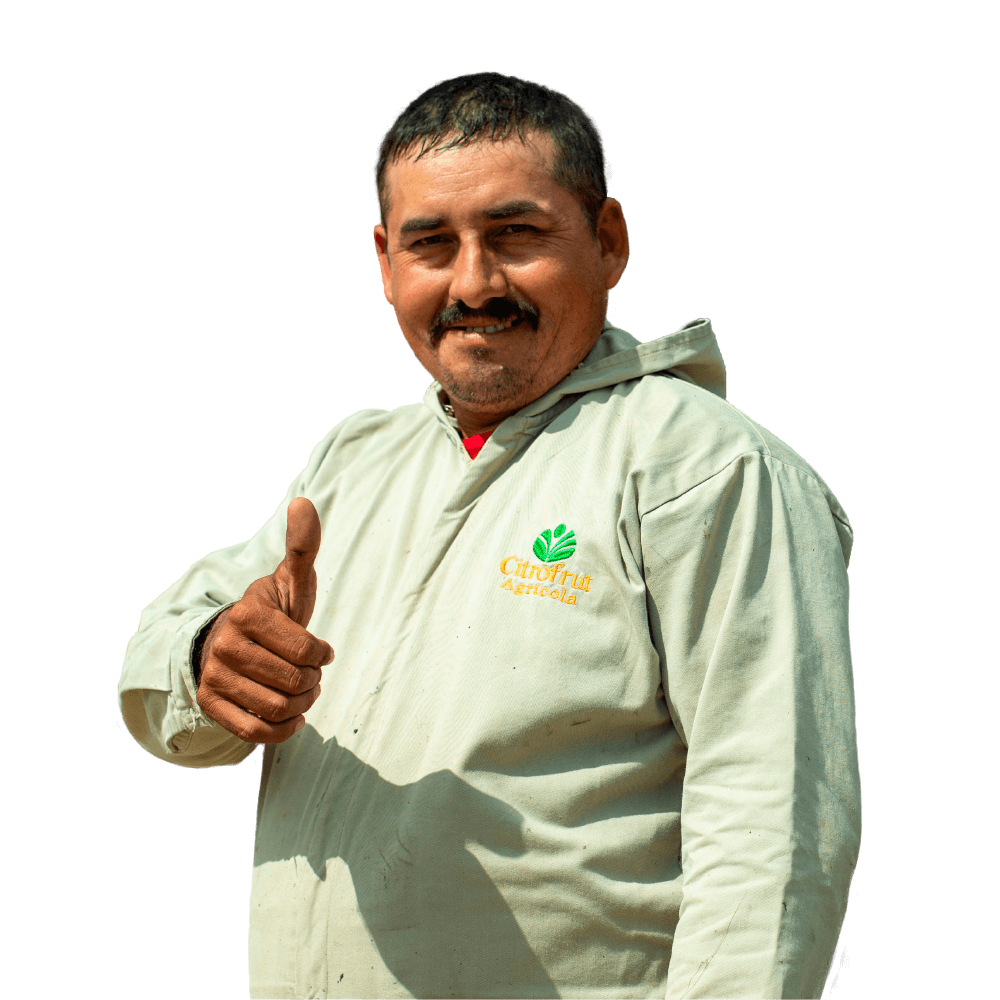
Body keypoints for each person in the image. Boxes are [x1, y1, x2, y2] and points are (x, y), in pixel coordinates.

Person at [119, 71, 860, 1000]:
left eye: (514, 234)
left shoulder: (706, 470)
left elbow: (774, 831)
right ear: (386, 261)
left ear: (608, 240)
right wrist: (210, 659)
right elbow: (157, 667)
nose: (474, 283)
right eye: (432, 244)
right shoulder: (355, 462)